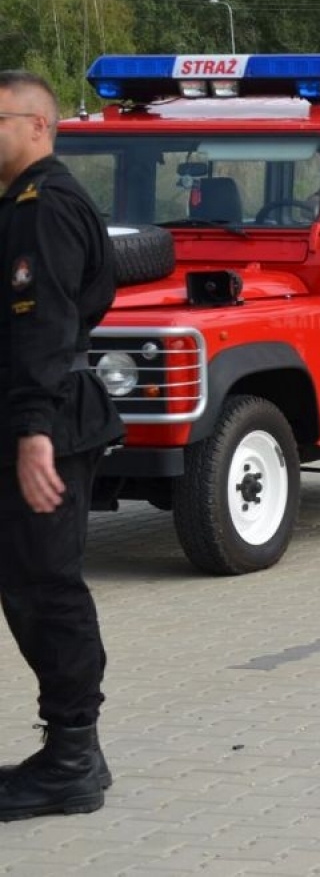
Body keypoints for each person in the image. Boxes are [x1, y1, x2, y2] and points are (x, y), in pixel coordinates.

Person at [0, 70, 124, 821]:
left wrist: (33, 434)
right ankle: (74, 752)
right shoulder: (20, 206)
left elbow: (42, 329)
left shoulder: (45, 208)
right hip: (39, 415)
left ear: (38, 125)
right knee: (27, 582)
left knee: (47, 586)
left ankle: (73, 755)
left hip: (48, 421)